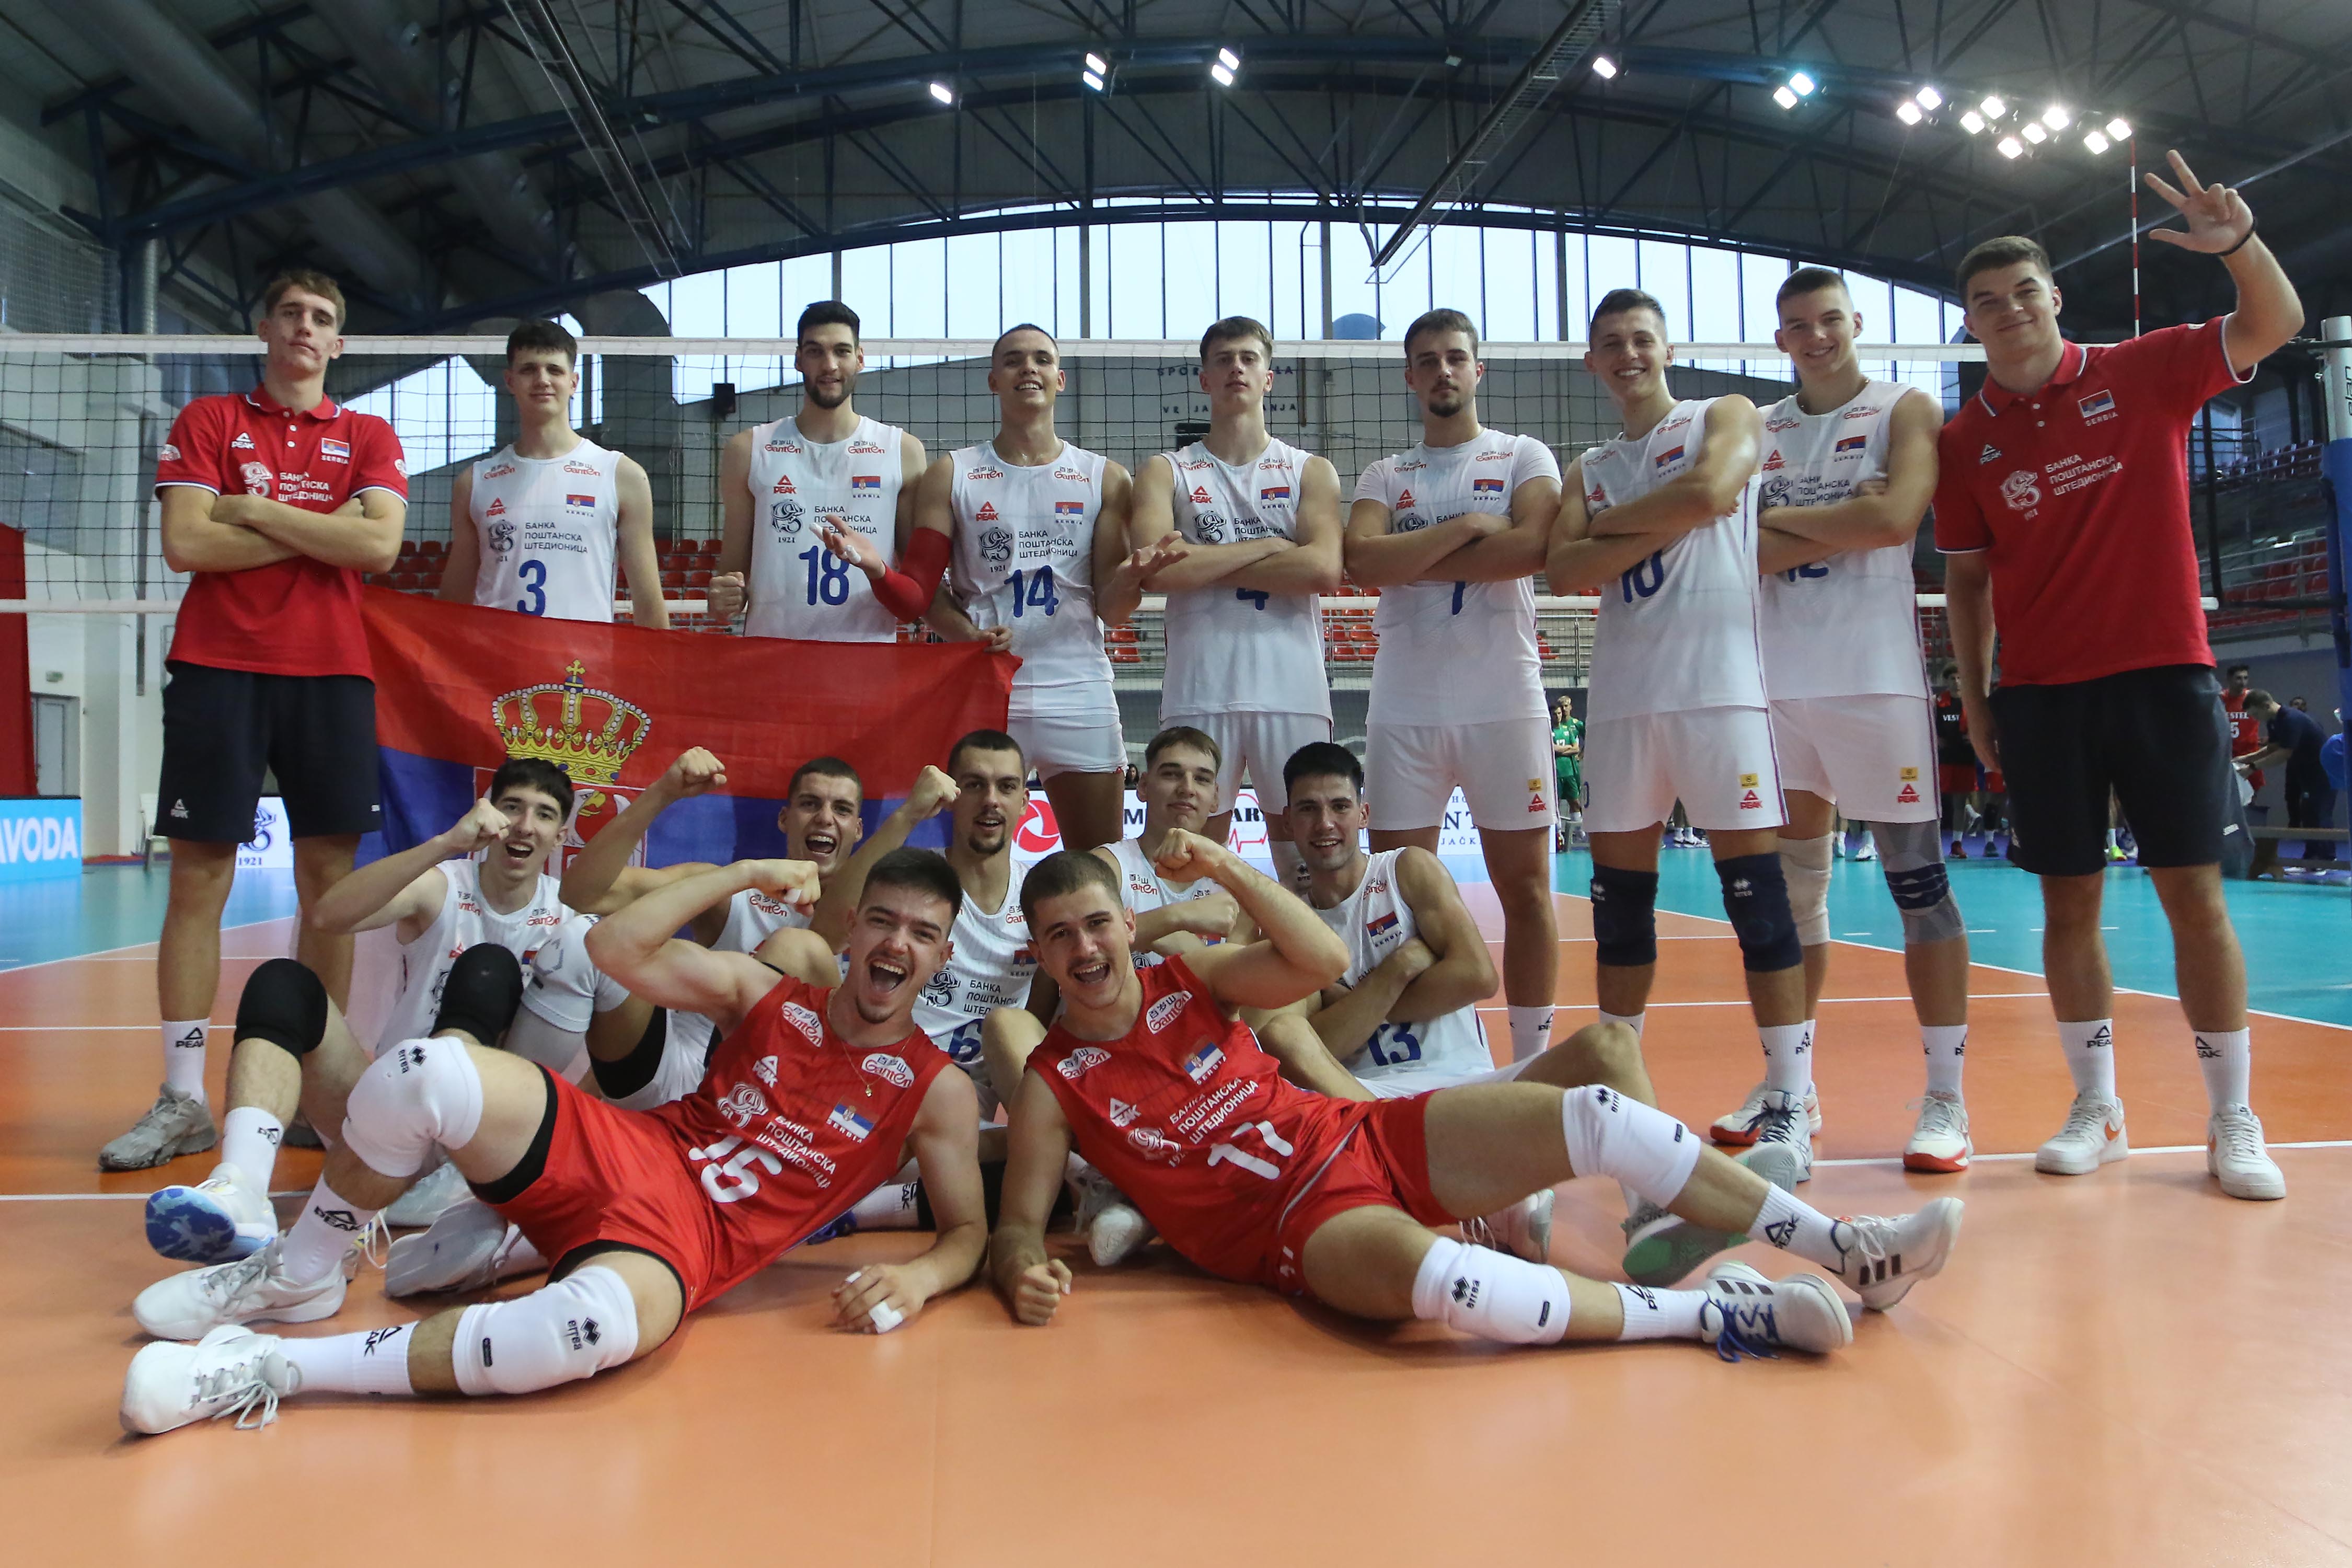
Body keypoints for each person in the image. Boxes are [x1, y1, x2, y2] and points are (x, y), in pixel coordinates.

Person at [120, 850, 989, 1436]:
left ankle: (272, 1365)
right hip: (625, 1148)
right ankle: (302, 1273)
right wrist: (743, 873)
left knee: (580, 1331)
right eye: (882, 922)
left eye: (921, 933)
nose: (896, 944)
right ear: (851, 928)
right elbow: (612, 943)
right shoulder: (765, 993)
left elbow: (966, 1233)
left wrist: (919, 1278)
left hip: (686, 1245)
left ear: (943, 954)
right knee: (427, 1073)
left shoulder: (935, 1090)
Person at [986, 840, 1963, 1356]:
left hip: (1363, 1133)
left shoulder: (1193, 977)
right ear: (1040, 955)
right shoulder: (1055, 1084)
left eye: (1098, 924)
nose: (1085, 949)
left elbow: (1317, 958)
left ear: (1129, 926)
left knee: (1596, 1113)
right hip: (1295, 1225)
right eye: (1061, 936)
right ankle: (1718, 1317)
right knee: (1454, 1287)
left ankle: (1850, 1250)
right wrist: (1023, 1268)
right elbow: (1020, 1227)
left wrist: (1227, 867)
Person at [1934, 152, 2300, 1200]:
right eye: (1988, 302)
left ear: (2055, 297)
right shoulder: (1964, 444)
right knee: (2068, 907)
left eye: (2025, 292)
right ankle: (2098, 1106)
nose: (2010, 311)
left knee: (2195, 898)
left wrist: (2239, 245)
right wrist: (1980, 699)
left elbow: (2274, 322)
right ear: (1971, 323)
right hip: (2044, 696)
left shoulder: (2144, 369)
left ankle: (2232, 1117)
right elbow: (1968, 585)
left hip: (2163, 678)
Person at [1258, 740, 1793, 1285]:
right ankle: (1515, 1205)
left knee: (1612, 1045)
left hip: (1475, 1091)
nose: (1325, 823)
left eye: (1339, 806)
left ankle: (1652, 1212)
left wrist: (1354, 1003)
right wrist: (1401, 968)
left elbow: (1476, 977)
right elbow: (1316, 1046)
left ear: (1363, 813)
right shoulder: (1287, 920)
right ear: (1288, 821)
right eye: (1308, 809)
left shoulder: (1405, 872)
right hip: (1380, 1111)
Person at [108, 269, 410, 1171]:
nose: (305, 328)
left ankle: (322, 1091)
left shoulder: (368, 433)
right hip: (218, 667)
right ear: (266, 329)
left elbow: (379, 547)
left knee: (331, 887)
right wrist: (321, 526)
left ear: (338, 343)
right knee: (199, 879)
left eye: (322, 318)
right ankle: (182, 1100)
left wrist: (252, 509)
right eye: (291, 313)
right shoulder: (209, 420)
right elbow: (186, 543)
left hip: (331, 674)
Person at [1544, 288, 1819, 1182]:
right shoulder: (1589, 465)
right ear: (1593, 361)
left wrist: (1607, 529)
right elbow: (1564, 568)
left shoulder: (1722, 414)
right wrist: (1638, 524)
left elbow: (1712, 490)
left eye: (1642, 340)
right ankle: (1622, 1100)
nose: (1628, 354)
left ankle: (1790, 1101)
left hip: (1719, 693)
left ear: (1666, 348)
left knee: (1757, 899)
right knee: (1619, 909)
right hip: (1626, 702)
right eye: (1612, 344)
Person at [136, 762, 576, 1265]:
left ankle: (444, 1184)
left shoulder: (569, 918)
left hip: (484, 1131)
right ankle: (243, 1189)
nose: (524, 826)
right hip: (391, 1107)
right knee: (283, 983)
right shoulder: (443, 885)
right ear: (488, 815)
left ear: (561, 836)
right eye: (512, 807)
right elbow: (328, 915)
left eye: (544, 815)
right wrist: (445, 844)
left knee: (488, 968)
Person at [1746, 266, 1974, 1174]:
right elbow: (1735, 547)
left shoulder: (1903, 409)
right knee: (1793, 899)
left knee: (1919, 886)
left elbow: (1896, 519)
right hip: (1778, 688)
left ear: (1855, 323)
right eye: (1800, 325)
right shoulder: (1756, 428)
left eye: (1831, 320)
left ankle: (1947, 1100)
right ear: (1782, 338)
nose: (1818, 336)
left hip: (1875, 687)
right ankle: (1790, 1089)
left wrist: (1801, 526)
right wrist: (1851, 514)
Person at [1344, 308, 1564, 1065]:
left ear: (1478, 369)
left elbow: (1532, 547)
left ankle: (1530, 1061)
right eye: (1429, 360)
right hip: (1405, 707)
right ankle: (1427, 1059)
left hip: (1504, 702)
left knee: (1527, 892)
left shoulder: (1523, 454)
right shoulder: (1385, 474)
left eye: (1455, 358)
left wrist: (1412, 555)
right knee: (1396, 895)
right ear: (1410, 377)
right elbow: (1363, 564)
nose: (1443, 370)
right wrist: (1472, 526)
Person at [924, 325, 1160, 851]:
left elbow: (1113, 609)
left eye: (1041, 359)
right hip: (985, 684)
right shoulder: (952, 473)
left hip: (1076, 685)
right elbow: (924, 590)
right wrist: (964, 633)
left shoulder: (1104, 478)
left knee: (1098, 858)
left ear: (1060, 378)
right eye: (1013, 360)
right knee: (969, 857)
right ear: (993, 381)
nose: (1028, 368)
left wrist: (1132, 577)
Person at [1129, 317, 1343, 886]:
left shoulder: (1310, 471)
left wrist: (1204, 560)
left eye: (1249, 358)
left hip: (1291, 690)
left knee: (1309, 865)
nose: (1236, 369)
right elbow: (1158, 572)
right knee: (1185, 860)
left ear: (1268, 377)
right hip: (1201, 688)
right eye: (1223, 360)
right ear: (1204, 379)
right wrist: (1272, 547)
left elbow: (1324, 569)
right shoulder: (1166, 471)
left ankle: (1311, 949)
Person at [708, 301, 941, 641]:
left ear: (859, 358)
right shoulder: (748, 450)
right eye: (816, 352)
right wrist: (724, 596)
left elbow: (915, 583)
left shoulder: (902, 451)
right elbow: (732, 575)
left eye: (841, 351)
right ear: (798, 359)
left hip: (865, 661)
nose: (829, 365)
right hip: (773, 658)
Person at [438, 319, 665, 626]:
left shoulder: (621, 475)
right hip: (497, 653)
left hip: (583, 655)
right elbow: (453, 604)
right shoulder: (475, 482)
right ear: (510, 381)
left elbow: (649, 603)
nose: (542, 380)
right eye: (528, 370)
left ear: (573, 382)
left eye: (554, 370)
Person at [2241, 690, 2337, 861]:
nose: (2255, 719)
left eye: (2256, 714)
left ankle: (2327, 859)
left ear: (2266, 706)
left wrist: (2252, 768)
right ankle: (2311, 859)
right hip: (2305, 772)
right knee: (2308, 814)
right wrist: (2244, 759)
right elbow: (2273, 748)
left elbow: (2285, 753)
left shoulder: (2291, 719)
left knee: (2320, 813)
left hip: (2322, 771)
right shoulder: (2273, 721)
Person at [1933, 667, 1978, 856]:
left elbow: (1982, 725)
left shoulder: (1971, 702)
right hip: (1944, 759)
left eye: (1960, 678)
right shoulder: (1938, 702)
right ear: (1946, 681)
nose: (1957, 682)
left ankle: (1956, 844)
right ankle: (1933, 844)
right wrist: (1936, 738)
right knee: (1938, 802)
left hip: (1965, 758)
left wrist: (1974, 736)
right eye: (1953, 678)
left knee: (1960, 802)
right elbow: (1928, 724)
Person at [1551, 697, 1584, 849]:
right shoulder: (1550, 730)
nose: (1563, 711)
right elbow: (1552, 748)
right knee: (1556, 803)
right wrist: (1568, 750)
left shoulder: (1574, 725)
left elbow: (1577, 747)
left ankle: (1579, 834)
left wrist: (1580, 755)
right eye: (1560, 709)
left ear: (1571, 707)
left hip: (1572, 769)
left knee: (1575, 801)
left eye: (1565, 707)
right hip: (1556, 772)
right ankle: (1558, 835)